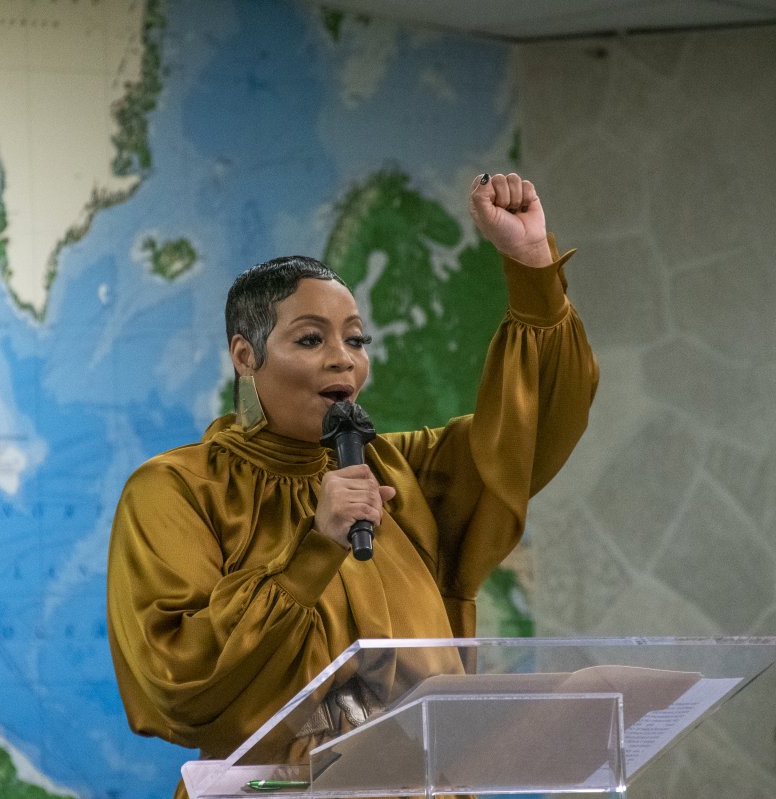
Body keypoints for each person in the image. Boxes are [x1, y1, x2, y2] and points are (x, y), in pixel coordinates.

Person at [106, 173, 599, 798]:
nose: (344, 358)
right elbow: (175, 678)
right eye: (310, 338)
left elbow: (534, 427)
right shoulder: (175, 491)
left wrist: (531, 268)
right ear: (245, 355)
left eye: (356, 340)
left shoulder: (401, 474)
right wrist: (314, 549)